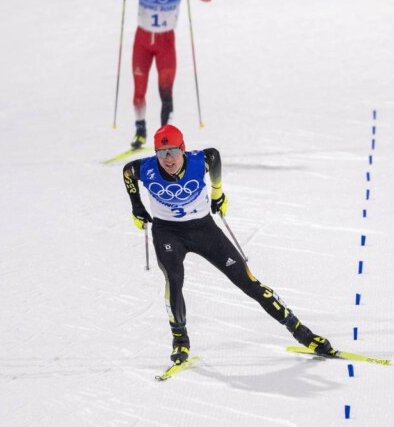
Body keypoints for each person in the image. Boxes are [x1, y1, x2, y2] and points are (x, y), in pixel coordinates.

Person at [122, 125, 335, 364]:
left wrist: (217, 193)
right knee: (173, 278)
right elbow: (127, 172)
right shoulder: (146, 168)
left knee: (247, 281)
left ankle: (303, 334)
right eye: (161, 153)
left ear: (183, 149)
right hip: (168, 232)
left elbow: (214, 156)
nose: (167, 159)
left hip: (203, 229)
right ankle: (180, 342)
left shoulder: (199, 161)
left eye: (172, 151)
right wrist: (137, 207)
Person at [109, 0, 212, 149]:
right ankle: (140, 131)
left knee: (165, 90)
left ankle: (166, 137)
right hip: (143, 41)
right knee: (139, 91)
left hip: (166, 42)